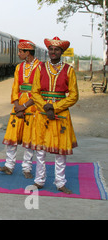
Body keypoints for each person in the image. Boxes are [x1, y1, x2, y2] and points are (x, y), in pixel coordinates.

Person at [30, 37, 78, 194]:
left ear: (62, 52)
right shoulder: (40, 68)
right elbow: (34, 92)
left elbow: (73, 96)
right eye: (50, 49)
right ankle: (39, 180)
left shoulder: (69, 70)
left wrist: (55, 108)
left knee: (59, 152)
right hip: (43, 112)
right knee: (41, 151)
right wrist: (45, 106)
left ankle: (60, 182)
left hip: (60, 114)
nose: (53, 52)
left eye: (56, 49)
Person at [0, 40, 41, 178]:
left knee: (29, 139)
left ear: (28, 53)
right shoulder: (19, 67)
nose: (18, 54)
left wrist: (24, 106)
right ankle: (9, 166)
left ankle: (26, 168)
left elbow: (39, 90)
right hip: (19, 104)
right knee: (12, 137)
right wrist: (17, 105)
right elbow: (15, 86)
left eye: (21, 51)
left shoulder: (40, 67)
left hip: (33, 105)